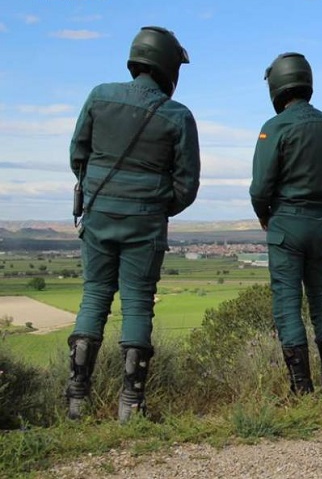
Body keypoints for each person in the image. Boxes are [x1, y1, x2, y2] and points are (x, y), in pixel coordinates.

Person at [66, 26, 201, 422]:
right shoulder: (178, 116)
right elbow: (187, 185)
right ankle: (131, 407)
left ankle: (76, 400)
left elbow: (79, 155)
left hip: (99, 215)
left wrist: (100, 195)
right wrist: (154, 206)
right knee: (138, 306)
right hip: (146, 223)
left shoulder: (99, 96)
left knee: (93, 298)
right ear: (168, 66)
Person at [249, 52, 322, 394]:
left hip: (285, 224)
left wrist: (266, 214)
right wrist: (321, 203)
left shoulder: (274, 128)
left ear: (277, 85)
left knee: (288, 303)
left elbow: (260, 187)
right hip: (321, 224)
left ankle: (301, 389)